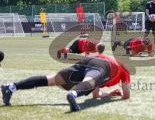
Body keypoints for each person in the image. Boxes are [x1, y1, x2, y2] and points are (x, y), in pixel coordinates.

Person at [1, 44, 130, 112]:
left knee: (51, 79)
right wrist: (113, 96)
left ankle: (11, 87)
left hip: (88, 61)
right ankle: (73, 94)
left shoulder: (111, 61)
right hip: (102, 66)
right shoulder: (125, 70)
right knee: (88, 81)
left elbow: (95, 94)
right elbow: (126, 95)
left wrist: (109, 93)